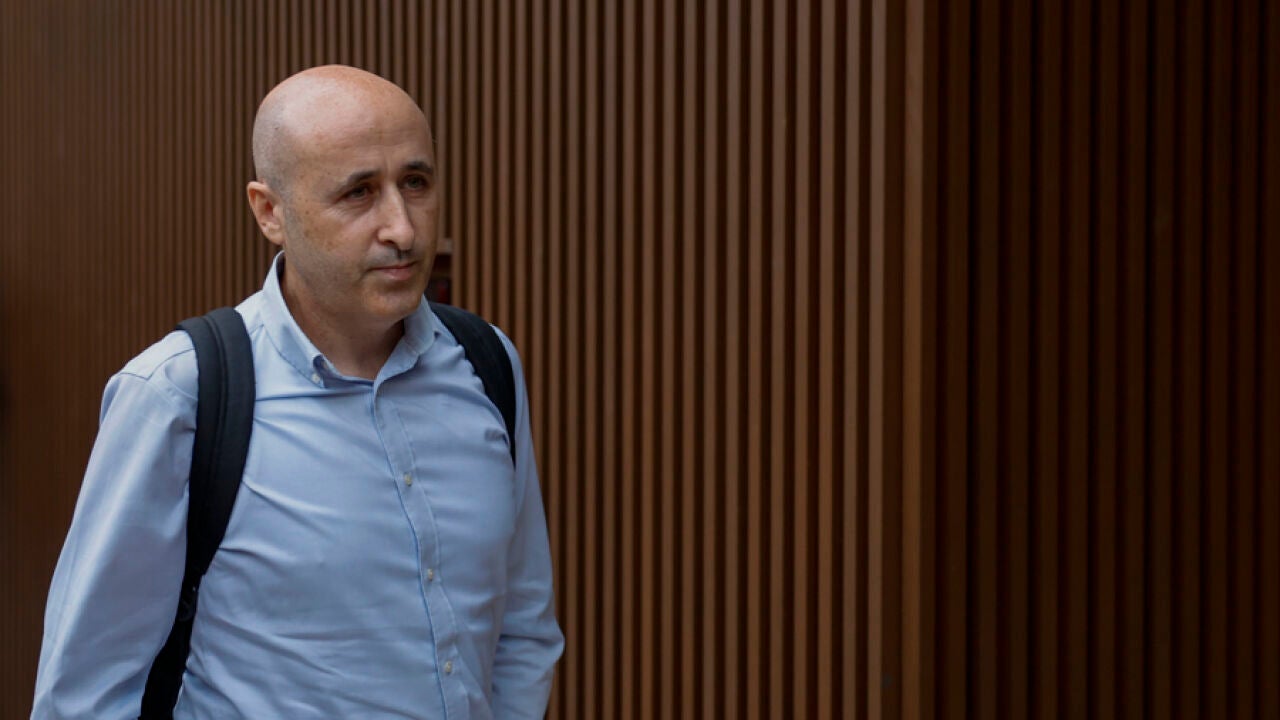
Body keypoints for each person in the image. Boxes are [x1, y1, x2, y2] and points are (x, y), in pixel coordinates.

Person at [32, 65, 563, 719]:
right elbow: (85, 693)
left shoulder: (486, 363)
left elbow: (523, 628)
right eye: (358, 193)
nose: (402, 228)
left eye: (415, 183)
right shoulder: (181, 396)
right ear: (270, 212)